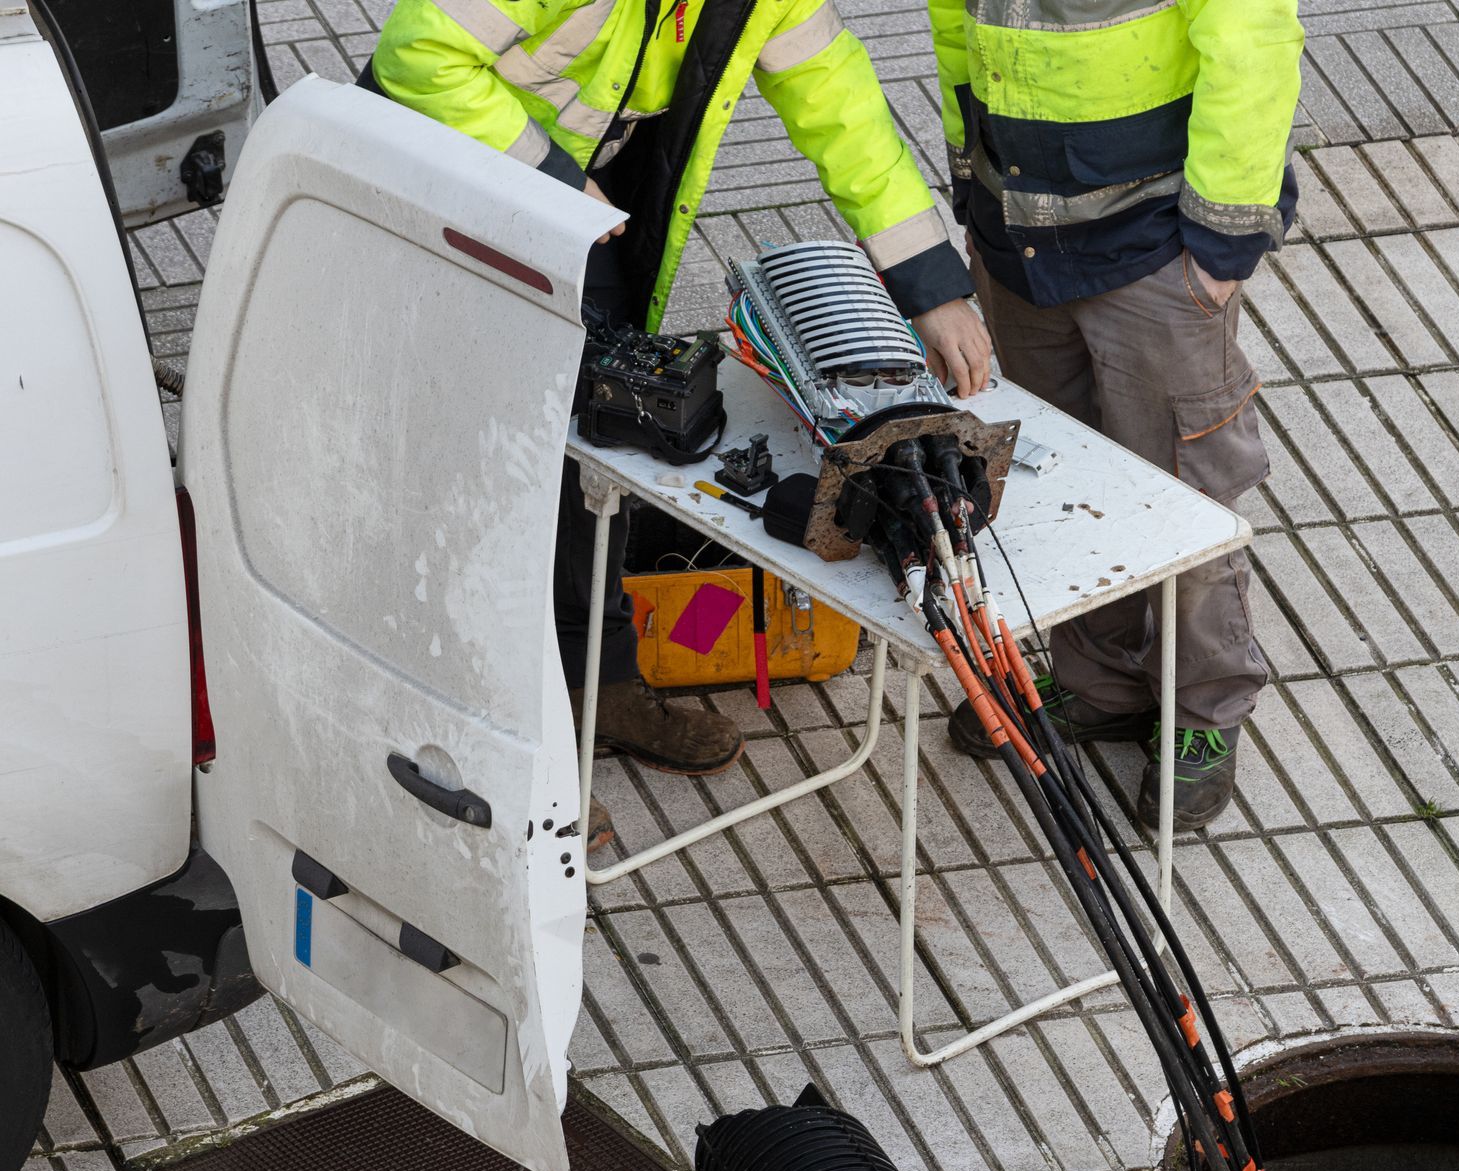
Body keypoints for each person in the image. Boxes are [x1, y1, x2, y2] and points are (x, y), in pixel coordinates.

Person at [359, 0, 992, 845]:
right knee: (468, 469)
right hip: (439, 180)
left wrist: (929, 284)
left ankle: (600, 680)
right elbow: (419, 55)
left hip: (579, 198)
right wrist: (550, 179)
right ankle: (479, 754)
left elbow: (840, 108)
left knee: (594, 442)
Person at [932, 0, 1304, 830]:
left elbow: (1254, 40)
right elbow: (960, 24)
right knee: (1060, 474)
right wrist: (974, 181)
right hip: (1018, 237)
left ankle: (1204, 711)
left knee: (1180, 490)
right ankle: (1099, 682)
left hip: (1153, 247)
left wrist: (1222, 246)